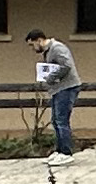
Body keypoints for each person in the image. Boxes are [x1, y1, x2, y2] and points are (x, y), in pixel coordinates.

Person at [29, 26, 81, 156]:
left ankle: (66, 152)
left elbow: (66, 65)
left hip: (67, 87)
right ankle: (59, 150)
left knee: (61, 120)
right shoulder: (48, 50)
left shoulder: (57, 48)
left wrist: (51, 77)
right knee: (55, 120)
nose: (33, 48)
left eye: (32, 44)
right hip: (58, 89)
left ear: (39, 40)